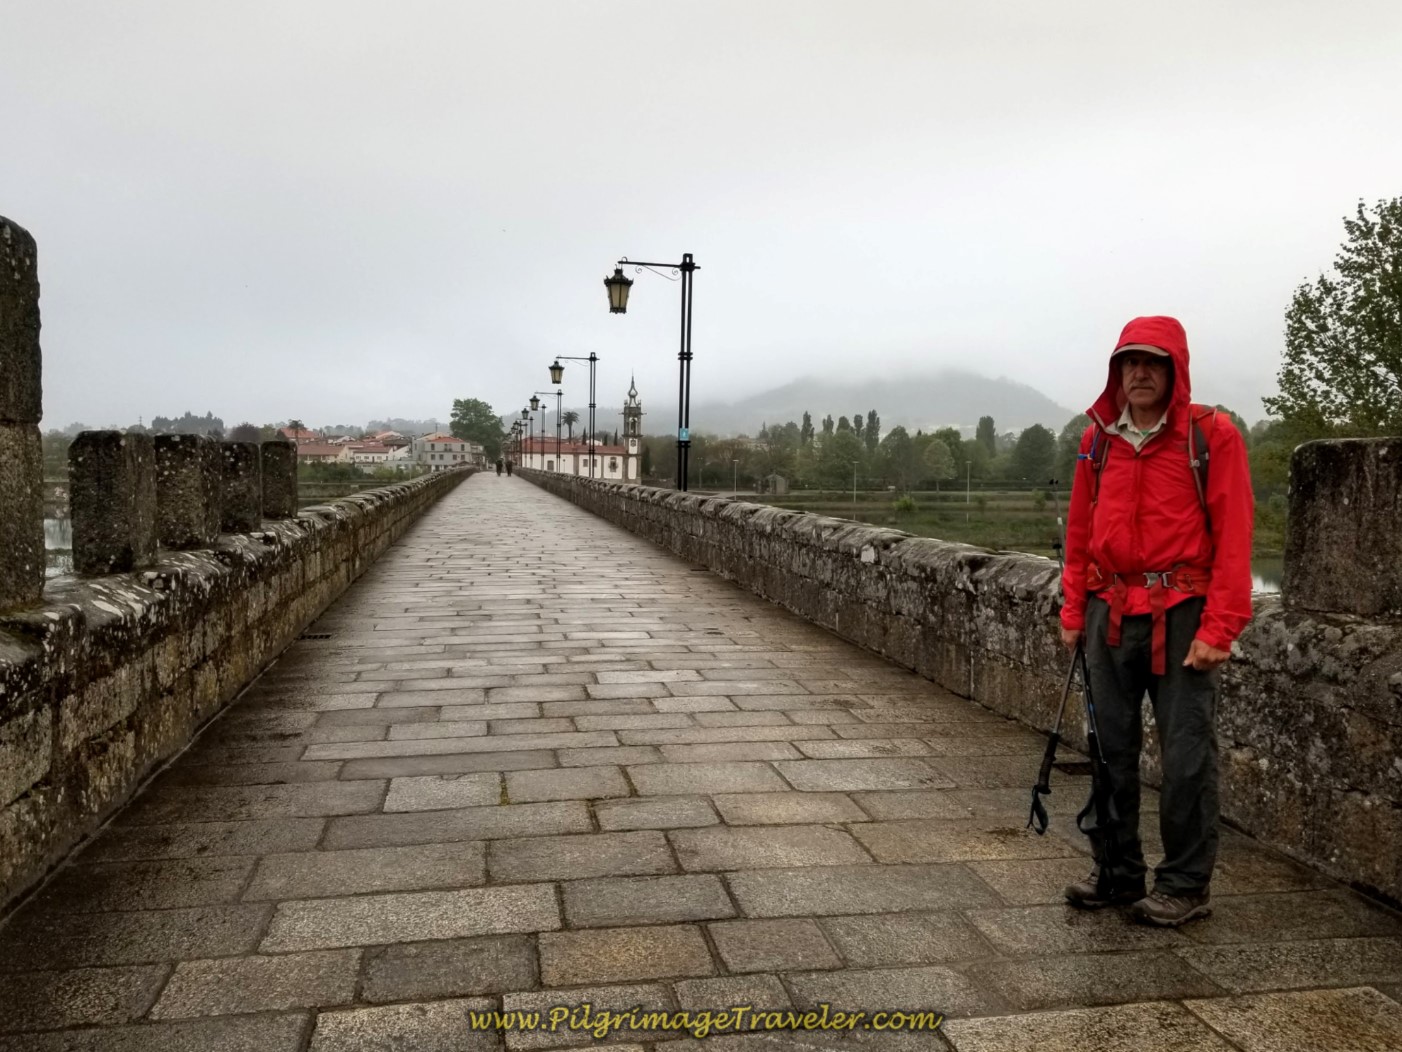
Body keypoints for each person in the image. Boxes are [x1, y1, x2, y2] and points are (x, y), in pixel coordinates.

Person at [1059, 315, 1253, 927]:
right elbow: (1079, 532)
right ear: (1116, 371)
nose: (1139, 373)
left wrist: (1220, 628)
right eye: (1129, 363)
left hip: (1183, 613)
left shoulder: (1211, 436)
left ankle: (1185, 885)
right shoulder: (1098, 440)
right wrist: (1072, 610)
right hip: (1108, 612)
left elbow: (1236, 536)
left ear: (1176, 370)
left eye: (1153, 363)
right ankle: (1117, 873)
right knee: (1109, 750)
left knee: (1187, 756)